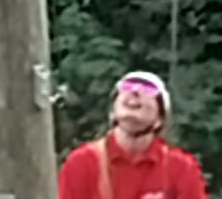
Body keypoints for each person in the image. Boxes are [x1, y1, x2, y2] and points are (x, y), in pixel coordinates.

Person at [57, 70, 209, 199]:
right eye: (126, 87)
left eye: (148, 89)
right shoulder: (82, 163)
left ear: (159, 119)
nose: (135, 91)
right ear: (113, 111)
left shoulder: (181, 168)